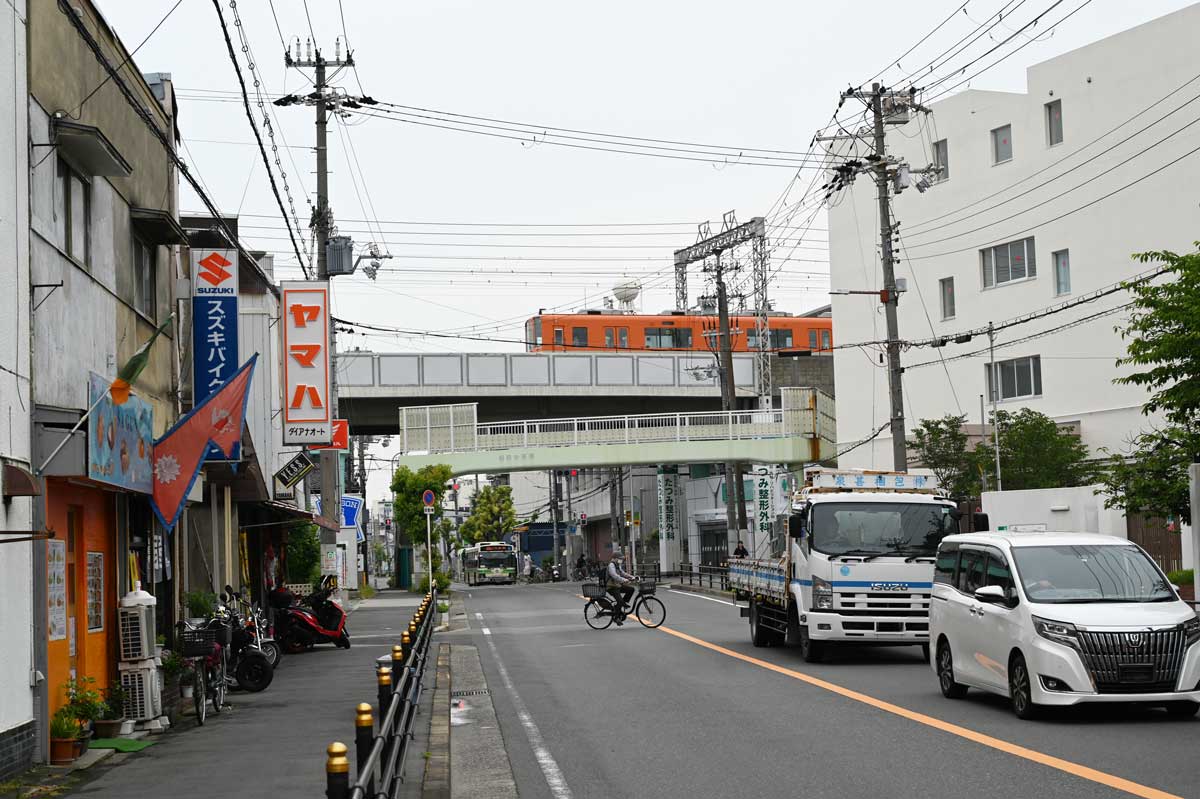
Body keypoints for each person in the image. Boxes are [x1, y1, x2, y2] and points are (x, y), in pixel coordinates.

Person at [606, 550, 638, 625]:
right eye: (619, 558)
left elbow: (623, 573)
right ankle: (616, 617)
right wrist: (624, 580)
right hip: (611, 587)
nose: (621, 560)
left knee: (631, 589)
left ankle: (622, 604)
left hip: (617, 585)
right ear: (615, 558)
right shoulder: (611, 565)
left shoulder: (617, 565)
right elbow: (614, 575)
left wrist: (632, 577)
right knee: (620, 601)